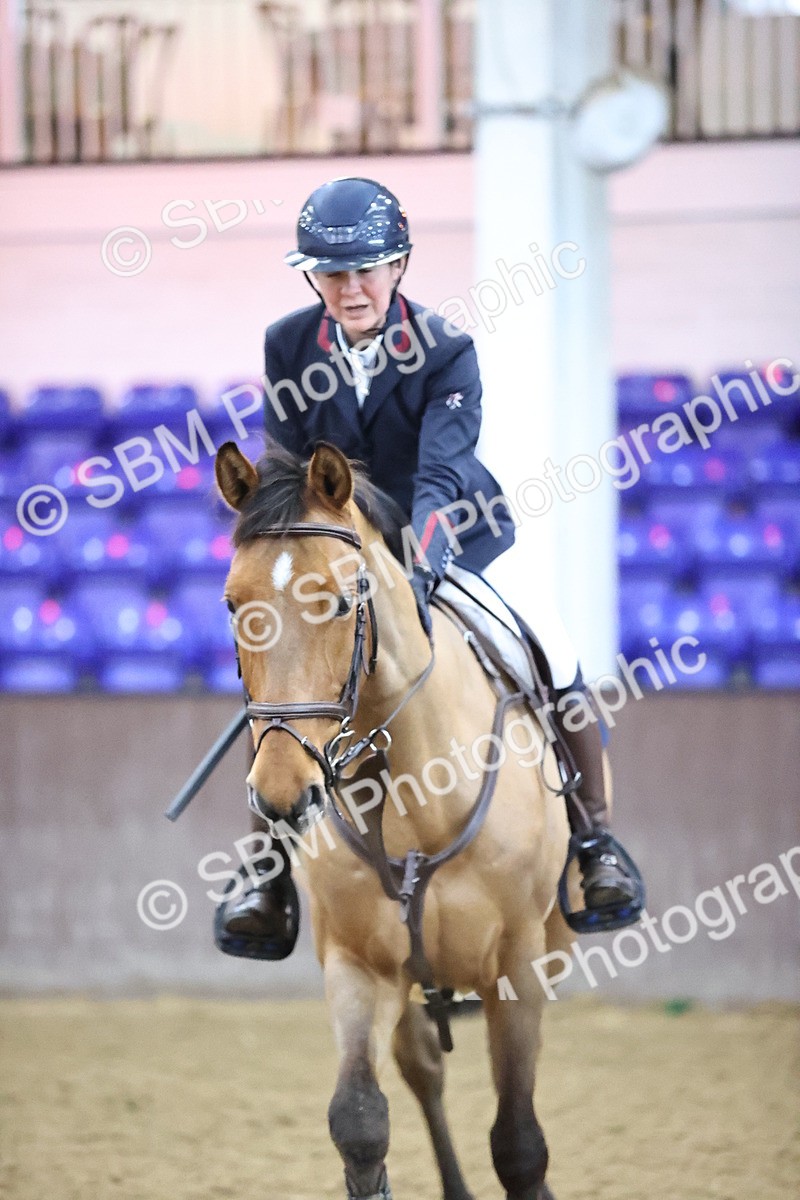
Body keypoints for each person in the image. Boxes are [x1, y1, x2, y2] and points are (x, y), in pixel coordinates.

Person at [217, 176, 641, 958]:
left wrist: (415, 569)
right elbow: (283, 468)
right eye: (332, 273)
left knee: (551, 642)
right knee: (281, 673)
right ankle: (265, 871)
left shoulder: (448, 351)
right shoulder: (286, 344)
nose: (349, 288)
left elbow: (441, 477)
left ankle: (595, 843)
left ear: (400, 264)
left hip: (449, 535)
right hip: (338, 552)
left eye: (366, 270)